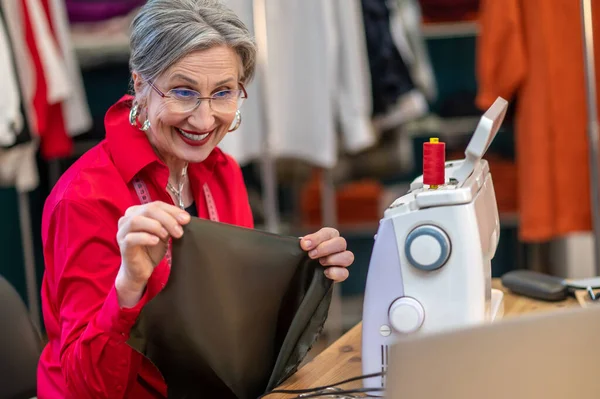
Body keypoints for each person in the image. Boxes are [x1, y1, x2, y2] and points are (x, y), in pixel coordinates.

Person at [36, 0, 355, 397]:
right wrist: (128, 287)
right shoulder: (84, 199)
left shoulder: (222, 172)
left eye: (223, 93)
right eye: (183, 92)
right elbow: (86, 388)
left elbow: (236, 320)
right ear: (139, 85)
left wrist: (304, 273)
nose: (204, 122)